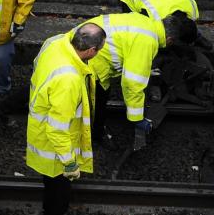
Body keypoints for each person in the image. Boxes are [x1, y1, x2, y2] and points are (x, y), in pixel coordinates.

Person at [27, 23, 104, 215]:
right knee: (58, 188)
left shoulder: (55, 43)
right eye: (100, 50)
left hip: (41, 127)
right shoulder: (69, 80)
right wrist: (69, 162)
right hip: (54, 147)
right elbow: (57, 128)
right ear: (91, 51)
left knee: (53, 184)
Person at [79, 10, 198, 147]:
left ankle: (96, 130)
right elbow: (132, 83)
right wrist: (137, 118)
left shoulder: (147, 23)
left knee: (101, 95)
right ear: (170, 40)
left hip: (86, 41)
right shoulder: (147, 42)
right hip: (89, 58)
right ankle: (94, 136)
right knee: (96, 100)